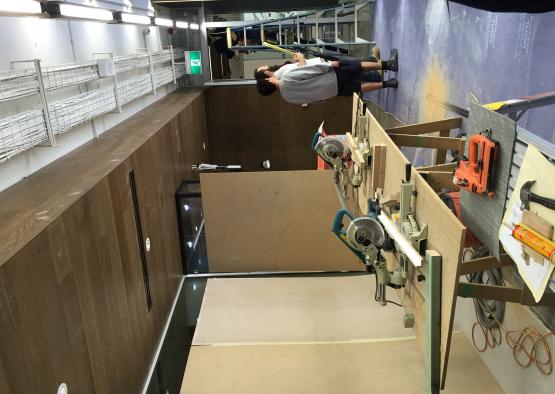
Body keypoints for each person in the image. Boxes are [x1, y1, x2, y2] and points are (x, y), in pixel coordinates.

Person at [254, 50, 398, 104]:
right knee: (358, 66)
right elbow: (309, 70)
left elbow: (311, 100)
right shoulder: (284, 78)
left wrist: (326, 97)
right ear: (268, 79)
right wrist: (329, 65)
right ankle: (388, 65)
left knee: (358, 87)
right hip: (329, 76)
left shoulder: (287, 98)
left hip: (330, 92)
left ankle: (388, 83)